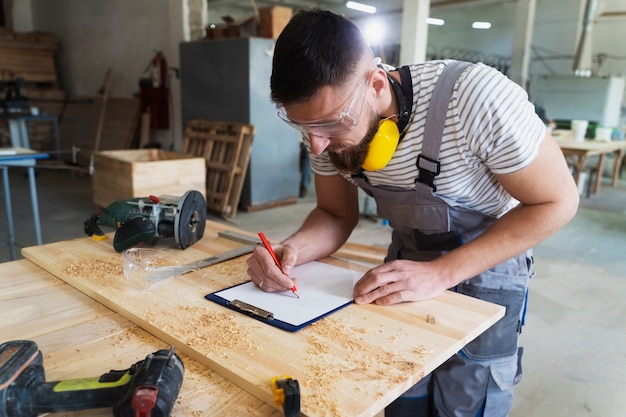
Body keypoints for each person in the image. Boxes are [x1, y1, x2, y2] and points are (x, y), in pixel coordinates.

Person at [247, 8, 579, 417]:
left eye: (332, 125)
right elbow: (334, 213)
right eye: (303, 128)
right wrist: (292, 249)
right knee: (400, 391)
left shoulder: (474, 99)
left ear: (376, 83)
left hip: (489, 263)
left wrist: (441, 273)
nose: (317, 147)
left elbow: (557, 202)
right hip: (406, 263)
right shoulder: (324, 132)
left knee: (467, 401)